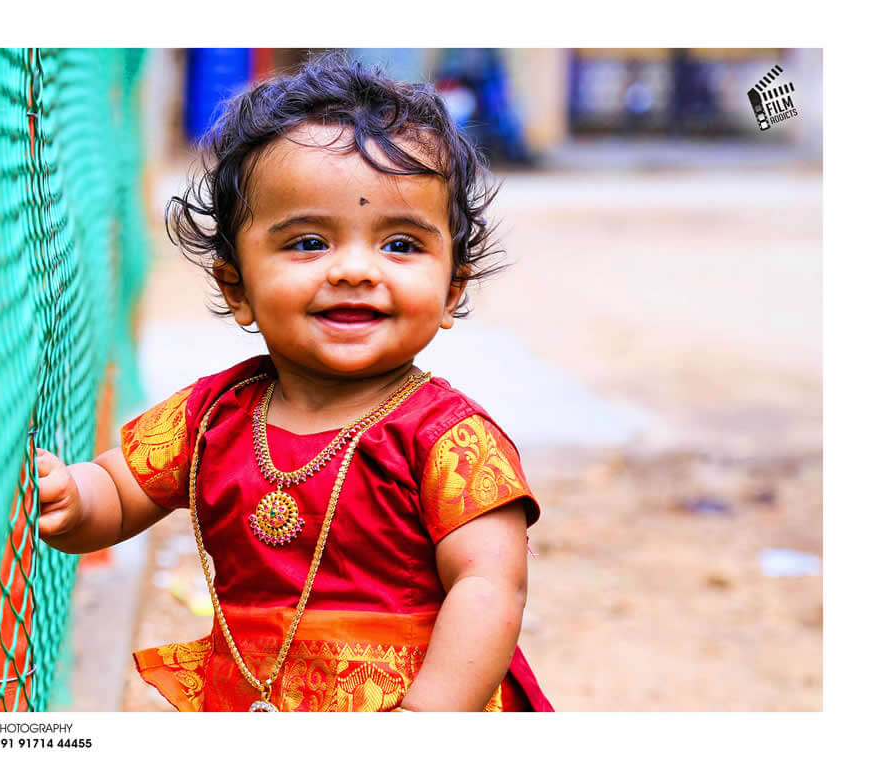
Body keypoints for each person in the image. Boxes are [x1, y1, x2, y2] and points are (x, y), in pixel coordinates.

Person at [36, 53, 552, 712]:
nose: (354, 270)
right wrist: (71, 499)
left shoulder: (450, 441)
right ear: (238, 287)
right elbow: (118, 487)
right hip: (258, 699)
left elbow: (489, 585)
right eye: (309, 242)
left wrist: (430, 715)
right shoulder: (214, 412)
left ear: (452, 291)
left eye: (400, 245)